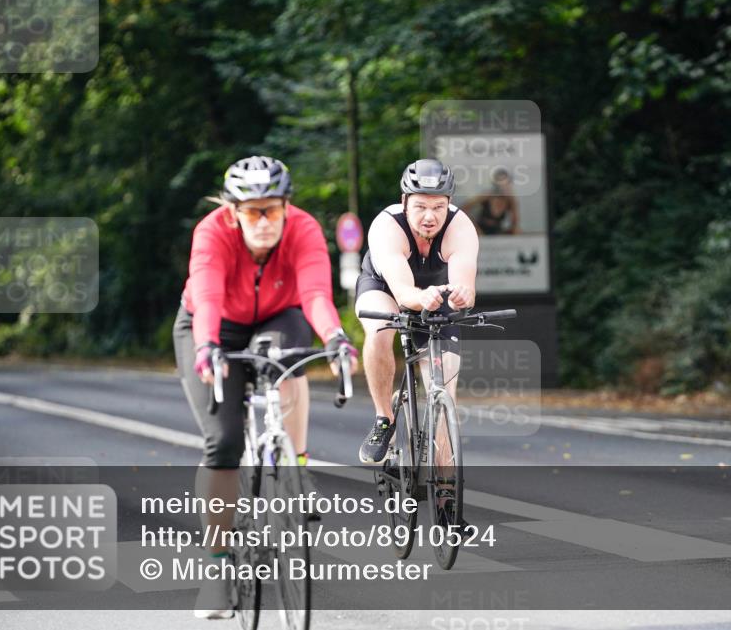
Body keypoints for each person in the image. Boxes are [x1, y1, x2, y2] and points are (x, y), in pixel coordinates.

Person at [172, 155, 357, 619]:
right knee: (224, 443)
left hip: (278, 314)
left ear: (286, 207)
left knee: (291, 359)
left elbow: (315, 293)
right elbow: (209, 293)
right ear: (233, 210)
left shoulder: (304, 229)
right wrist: (207, 346)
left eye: (271, 209)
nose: (262, 220)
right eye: (251, 210)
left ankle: (296, 466)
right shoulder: (211, 233)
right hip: (211, 326)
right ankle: (217, 569)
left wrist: (335, 338)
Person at [354, 158, 479, 464]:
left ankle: (446, 496)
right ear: (404, 202)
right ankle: (384, 418)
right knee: (380, 329)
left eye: (438, 207)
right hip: (386, 289)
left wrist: (463, 296)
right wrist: (422, 298)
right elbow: (403, 294)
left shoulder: (460, 227)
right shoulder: (387, 227)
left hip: (436, 294)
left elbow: (466, 287)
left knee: (446, 390)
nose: (429, 216)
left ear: (448, 205)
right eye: (421, 206)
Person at [462, 167, 520, 235]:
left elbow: (515, 222)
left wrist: (514, 231)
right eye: (500, 183)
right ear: (495, 183)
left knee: (518, 232)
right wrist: (475, 228)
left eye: (505, 183)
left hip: (497, 231)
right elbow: (463, 209)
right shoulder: (486, 196)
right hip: (480, 230)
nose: (502, 186)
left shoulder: (510, 200)